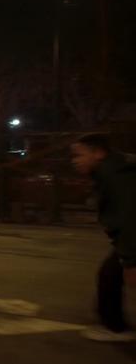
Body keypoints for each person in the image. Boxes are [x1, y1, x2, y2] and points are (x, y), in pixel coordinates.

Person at [70, 134, 136, 342]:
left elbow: (129, 220)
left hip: (132, 236)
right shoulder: (114, 169)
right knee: (109, 273)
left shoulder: (117, 176)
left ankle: (114, 327)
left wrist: (130, 261)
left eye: (80, 155)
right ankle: (113, 325)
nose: (75, 160)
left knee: (113, 273)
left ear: (98, 153)